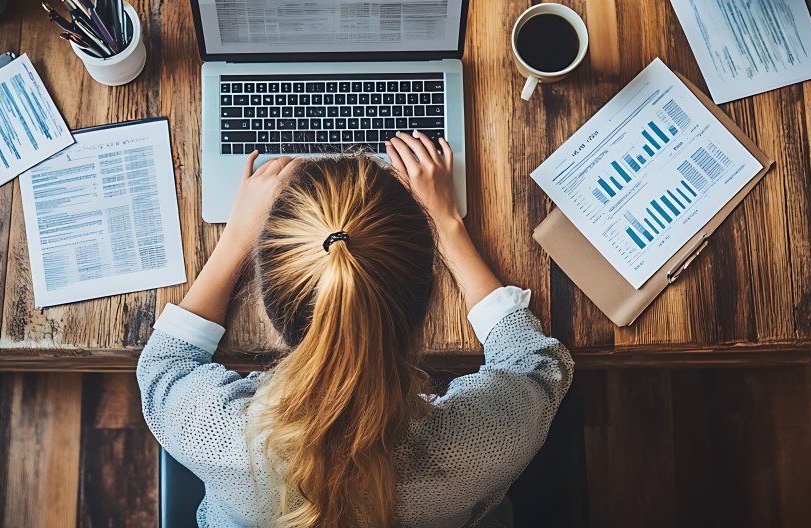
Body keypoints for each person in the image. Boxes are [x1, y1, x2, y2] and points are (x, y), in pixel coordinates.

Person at [138, 131, 574, 527]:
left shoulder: (216, 432)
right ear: (430, 291)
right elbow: (535, 365)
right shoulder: (482, 440)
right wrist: (447, 226)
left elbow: (163, 364)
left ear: (269, 297)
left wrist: (236, 238)